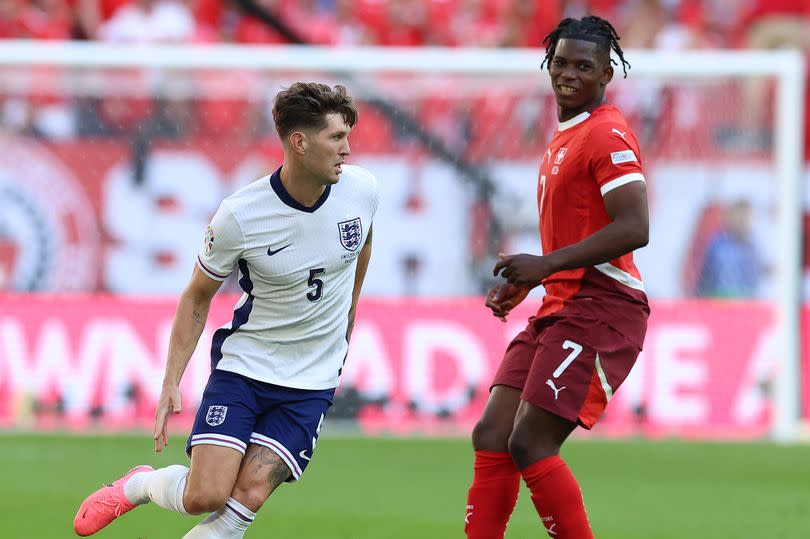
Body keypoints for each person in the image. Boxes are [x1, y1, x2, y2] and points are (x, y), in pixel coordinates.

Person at [73, 82, 378, 538]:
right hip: (246, 368)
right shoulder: (240, 215)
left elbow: (363, 242)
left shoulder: (362, 190)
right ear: (299, 141)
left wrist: (349, 313)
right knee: (206, 496)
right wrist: (171, 380)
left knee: (247, 497)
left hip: (311, 380)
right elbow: (197, 295)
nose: (347, 149)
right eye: (336, 137)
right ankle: (137, 485)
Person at [464, 16, 650, 539]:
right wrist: (536, 280)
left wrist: (546, 265)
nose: (568, 74)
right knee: (492, 433)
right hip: (562, 304)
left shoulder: (606, 133)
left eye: (583, 66)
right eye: (560, 63)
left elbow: (635, 226)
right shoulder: (565, 137)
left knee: (530, 442)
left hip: (604, 309)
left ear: (606, 74)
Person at [696, 199, 763, 298]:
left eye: (748, 219)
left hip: (745, 305)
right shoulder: (719, 245)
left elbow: (752, 279)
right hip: (720, 305)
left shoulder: (750, 246)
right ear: (731, 217)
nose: (745, 223)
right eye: (741, 218)